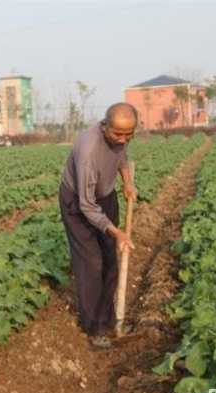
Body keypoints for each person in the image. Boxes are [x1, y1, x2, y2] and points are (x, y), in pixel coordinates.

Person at [59, 102, 138, 348]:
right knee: (91, 263)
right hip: (79, 202)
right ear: (104, 127)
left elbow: (122, 157)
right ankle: (94, 327)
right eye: (118, 134)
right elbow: (87, 205)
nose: (124, 140)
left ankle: (110, 319)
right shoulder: (88, 151)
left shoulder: (121, 138)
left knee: (110, 261)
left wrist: (127, 182)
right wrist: (117, 232)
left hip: (105, 194)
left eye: (129, 134)